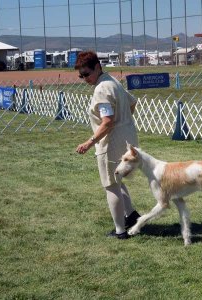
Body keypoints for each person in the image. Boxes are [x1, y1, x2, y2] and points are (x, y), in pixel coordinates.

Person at [74, 51, 140, 239]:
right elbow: (132, 102)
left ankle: (120, 231)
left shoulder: (102, 88)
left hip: (112, 143)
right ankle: (132, 215)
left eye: (87, 74)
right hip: (129, 139)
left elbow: (107, 121)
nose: (84, 78)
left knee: (110, 185)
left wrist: (89, 142)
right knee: (117, 180)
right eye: (81, 76)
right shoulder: (113, 81)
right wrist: (125, 121)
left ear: (98, 67)